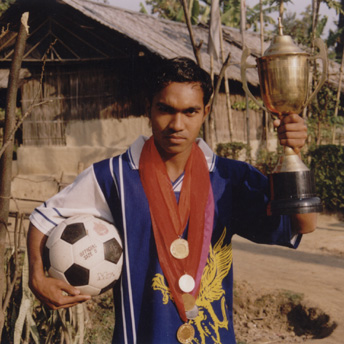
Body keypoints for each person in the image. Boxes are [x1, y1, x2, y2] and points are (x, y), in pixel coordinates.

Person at [27, 57, 317, 343]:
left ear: (205, 112)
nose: (177, 124)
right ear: (148, 109)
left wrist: (294, 155)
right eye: (166, 110)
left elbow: (302, 224)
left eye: (190, 112)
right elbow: (45, 217)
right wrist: (37, 277)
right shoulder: (113, 176)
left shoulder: (231, 178)